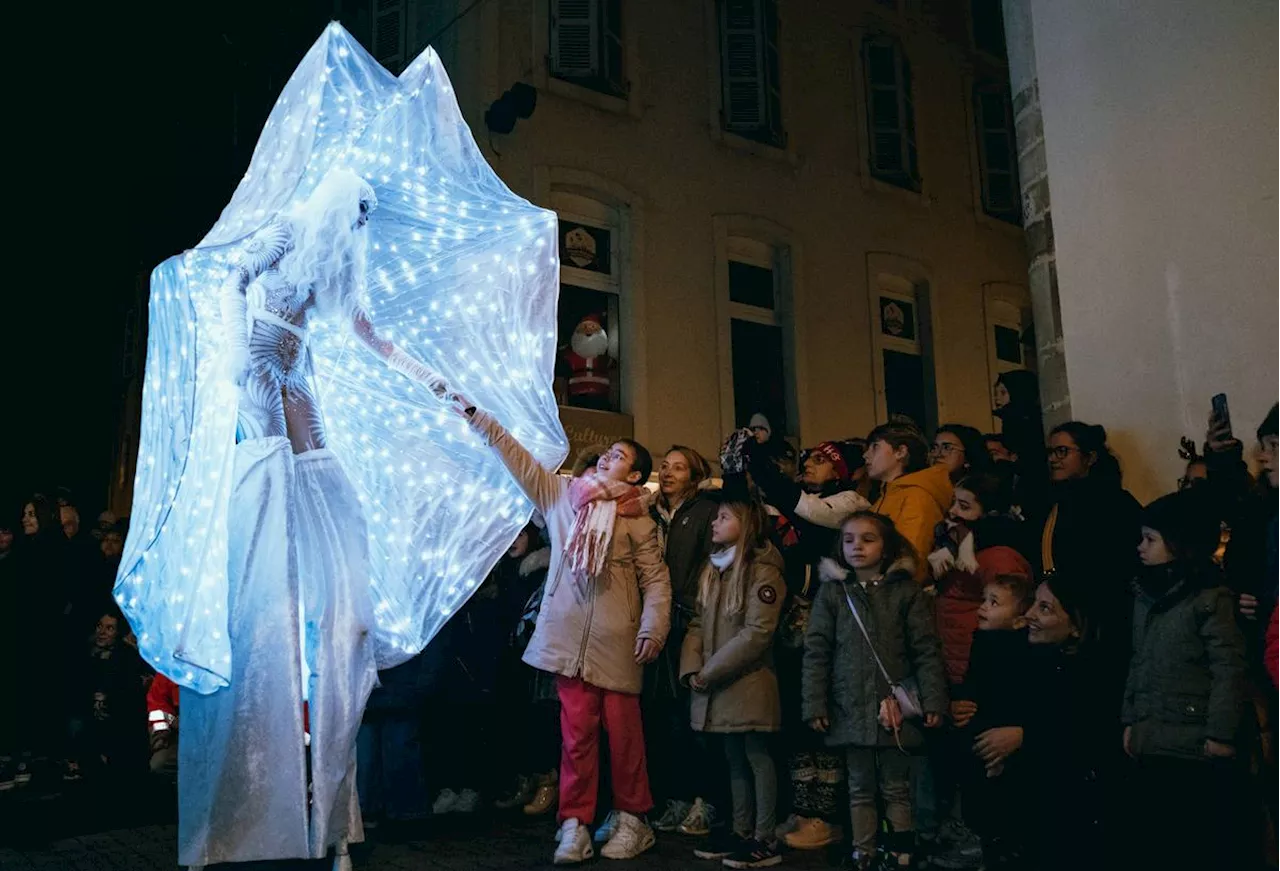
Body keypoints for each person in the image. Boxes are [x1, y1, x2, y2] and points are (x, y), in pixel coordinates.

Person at [461, 396, 672, 864]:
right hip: (567, 638)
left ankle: (633, 818)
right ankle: (574, 823)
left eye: (619, 456)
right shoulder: (563, 497)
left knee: (624, 737)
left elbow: (656, 580)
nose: (607, 458)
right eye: (607, 452)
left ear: (635, 476)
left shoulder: (638, 521)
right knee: (576, 737)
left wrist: (653, 628)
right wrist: (482, 420)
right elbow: (519, 460)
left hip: (617, 642)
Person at [802, 512, 947, 870]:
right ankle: (863, 852)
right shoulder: (833, 592)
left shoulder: (905, 592)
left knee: (897, 785)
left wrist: (933, 699)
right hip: (849, 703)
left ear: (885, 547)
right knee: (859, 785)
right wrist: (815, 703)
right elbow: (817, 650)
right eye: (849, 540)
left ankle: (900, 850)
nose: (857, 547)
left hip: (893, 706)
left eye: (868, 539)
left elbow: (925, 649)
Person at [747, 438, 869, 851]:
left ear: (840, 471)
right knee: (800, 717)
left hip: (831, 626)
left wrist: (761, 466)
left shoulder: (849, 502)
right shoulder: (798, 508)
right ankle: (803, 808)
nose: (809, 465)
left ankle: (827, 816)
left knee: (823, 719)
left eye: (820, 461)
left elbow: (806, 508)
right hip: (796, 623)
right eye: (807, 459)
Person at [1122, 490, 1248, 871]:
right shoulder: (1146, 593)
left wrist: (1220, 734)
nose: (1141, 547)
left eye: (1151, 539)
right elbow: (1138, 660)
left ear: (1180, 544)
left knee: (1192, 842)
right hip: (1152, 736)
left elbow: (1228, 667)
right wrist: (1130, 721)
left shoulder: (1209, 598)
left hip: (1192, 741)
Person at [978, 575, 1115, 871]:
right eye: (1033, 606)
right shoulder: (1024, 658)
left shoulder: (1092, 677)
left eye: (1045, 609)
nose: (1029, 616)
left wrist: (1025, 736)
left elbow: (1087, 734)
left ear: (1077, 626)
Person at [681, 485, 786, 869]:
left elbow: (757, 633)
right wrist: (692, 668)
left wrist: (709, 672)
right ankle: (742, 831)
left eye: (725, 517)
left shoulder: (763, 570)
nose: (715, 523)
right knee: (734, 758)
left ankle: (764, 836)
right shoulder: (714, 569)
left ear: (748, 523)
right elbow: (697, 620)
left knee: (756, 757)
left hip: (748, 682)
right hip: (715, 682)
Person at [1040, 422, 1142, 713]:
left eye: (1062, 451)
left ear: (1090, 456)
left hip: (1103, 626)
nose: (1053, 459)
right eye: (1050, 452)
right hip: (1064, 623)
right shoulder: (1056, 503)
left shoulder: (1117, 504)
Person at [647, 446, 720, 836]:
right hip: (658, 622)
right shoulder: (650, 510)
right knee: (664, 717)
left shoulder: (705, 511)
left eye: (679, 467)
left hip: (691, 621)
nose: (669, 472)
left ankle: (705, 801)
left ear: (695, 477)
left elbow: (711, 564)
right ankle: (675, 796)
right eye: (665, 466)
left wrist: (698, 610)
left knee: (696, 716)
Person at [950, 574, 1036, 871]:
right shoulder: (983, 640)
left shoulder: (1021, 650)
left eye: (994, 602)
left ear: (1019, 620)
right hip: (980, 731)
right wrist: (960, 702)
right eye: (984, 600)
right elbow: (973, 685)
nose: (982, 607)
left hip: (1001, 734)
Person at [864, 420, 953, 583]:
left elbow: (912, 558)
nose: (866, 455)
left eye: (875, 447)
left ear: (901, 452)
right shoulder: (887, 495)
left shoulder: (916, 496)